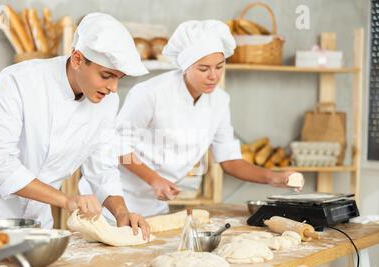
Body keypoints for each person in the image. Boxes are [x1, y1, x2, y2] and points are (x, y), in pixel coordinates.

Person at [0, 13, 150, 239]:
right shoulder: (19, 81)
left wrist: (121, 212)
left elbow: (102, 165)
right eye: (106, 76)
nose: (113, 87)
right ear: (77, 59)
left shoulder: (108, 101)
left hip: (37, 214)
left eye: (119, 78)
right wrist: (65, 199)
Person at [81, 19, 304, 217]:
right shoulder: (150, 93)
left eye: (219, 66)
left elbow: (229, 160)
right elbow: (118, 145)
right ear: (185, 67)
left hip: (154, 206)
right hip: (109, 200)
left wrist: (273, 177)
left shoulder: (219, 101)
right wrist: (154, 179)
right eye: (203, 68)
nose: (213, 76)